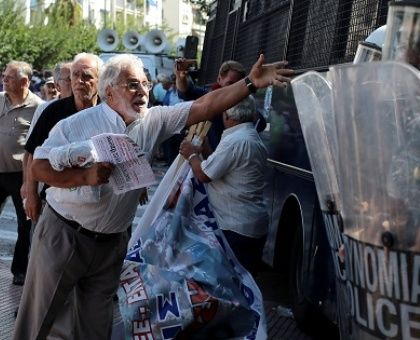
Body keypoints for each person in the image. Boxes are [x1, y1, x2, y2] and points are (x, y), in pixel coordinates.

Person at [14, 53, 292, 340]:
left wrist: (250, 84)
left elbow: (203, 105)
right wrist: (84, 176)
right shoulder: (76, 124)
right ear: (109, 92)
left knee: (96, 328)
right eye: (133, 85)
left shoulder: (153, 120)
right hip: (65, 234)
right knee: (38, 318)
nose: (143, 91)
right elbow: (39, 166)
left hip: (110, 244)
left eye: (145, 83)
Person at [179, 96, 268, 275]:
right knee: (244, 281)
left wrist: (191, 155)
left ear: (227, 115)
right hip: (249, 224)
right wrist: (205, 150)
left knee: (233, 284)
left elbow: (204, 175)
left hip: (236, 227)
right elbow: (220, 168)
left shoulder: (235, 141)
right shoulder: (249, 137)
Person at [23, 54, 101, 224]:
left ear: (100, 80)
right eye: (75, 75)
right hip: (55, 206)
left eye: (87, 76)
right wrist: (31, 194)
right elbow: (32, 155)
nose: (80, 81)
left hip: (98, 210)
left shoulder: (109, 111)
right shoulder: (53, 111)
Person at [0, 61, 43, 286]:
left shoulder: (39, 107)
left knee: (24, 224)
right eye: (4, 76)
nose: (4, 80)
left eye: (9, 77)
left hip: (21, 175)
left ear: (24, 81)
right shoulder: (0, 99)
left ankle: (20, 270)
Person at [177, 60, 246, 150]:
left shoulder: (246, 103)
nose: (234, 89)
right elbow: (186, 92)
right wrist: (181, 77)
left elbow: (260, 123)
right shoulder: (209, 97)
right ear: (219, 79)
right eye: (230, 84)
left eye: (238, 84)